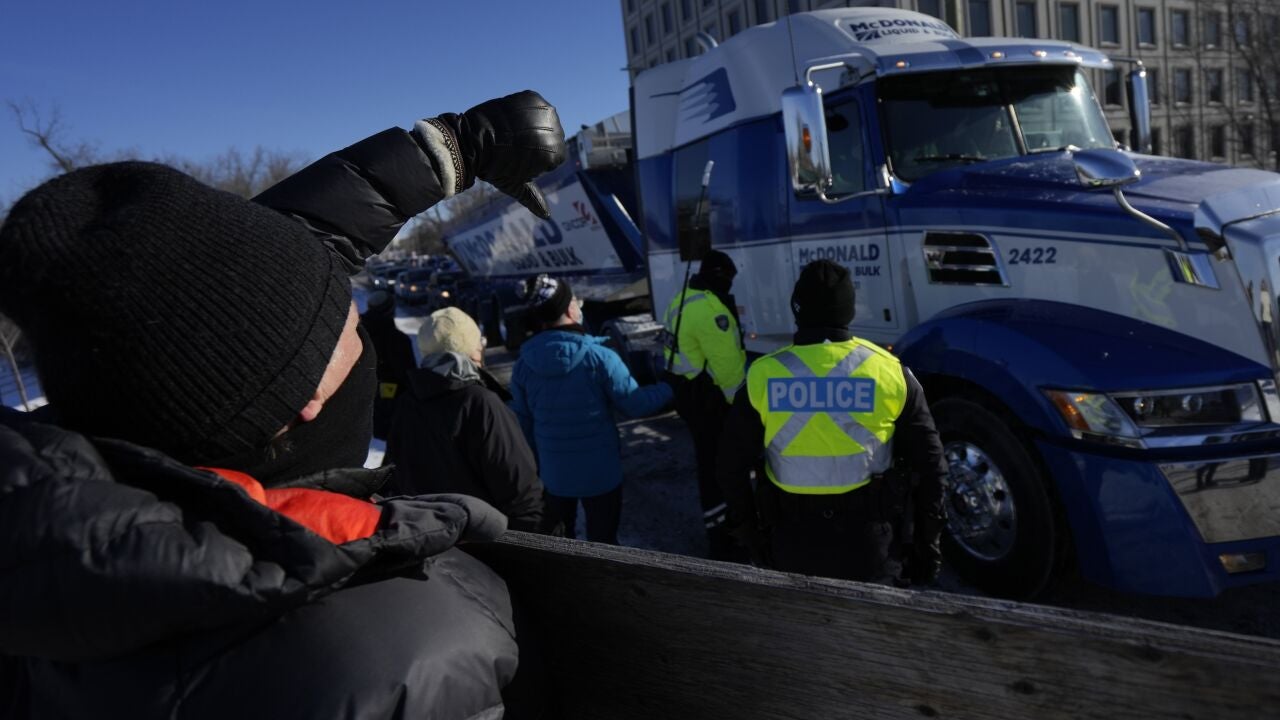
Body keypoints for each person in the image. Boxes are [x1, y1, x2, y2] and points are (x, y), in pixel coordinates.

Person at [0, 90, 565, 719]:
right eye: (349, 323)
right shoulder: (415, 649)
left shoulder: (59, 546)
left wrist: (444, 153)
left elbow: (229, 305)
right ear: (309, 402)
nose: (360, 321)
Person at [715, 259, 948, 585]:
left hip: (791, 543)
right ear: (850, 311)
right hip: (871, 547)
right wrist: (927, 547)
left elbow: (730, 467)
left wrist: (751, 536)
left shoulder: (762, 375)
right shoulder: (890, 371)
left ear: (797, 310)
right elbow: (933, 465)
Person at [509, 274, 672, 544]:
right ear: (569, 309)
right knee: (604, 543)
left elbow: (524, 425)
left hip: (554, 476)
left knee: (561, 544)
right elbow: (635, 404)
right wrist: (670, 388)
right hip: (602, 475)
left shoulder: (524, 365)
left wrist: (539, 468)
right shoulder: (600, 357)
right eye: (575, 301)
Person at [383, 306, 550, 533]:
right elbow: (520, 492)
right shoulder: (481, 403)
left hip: (429, 543)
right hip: (483, 544)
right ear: (473, 351)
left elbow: (394, 477)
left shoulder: (408, 402)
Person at [662, 249, 747, 559]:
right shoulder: (712, 311)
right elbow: (729, 372)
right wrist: (743, 409)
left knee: (707, 467)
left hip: (687, 396)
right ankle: (727, 542)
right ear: (721, 277)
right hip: (712, 404)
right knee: (723, 471)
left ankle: (717, 532)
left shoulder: (680, 299)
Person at [361, 289, 417, 441]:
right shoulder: (398, 341)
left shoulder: (359, 335)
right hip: (395, 411)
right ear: (390, 311)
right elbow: (409, 377)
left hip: (362, 409)